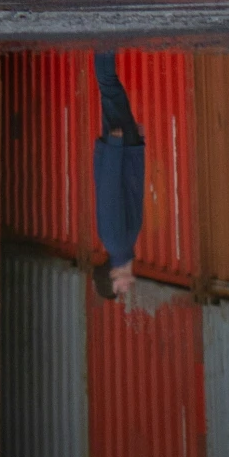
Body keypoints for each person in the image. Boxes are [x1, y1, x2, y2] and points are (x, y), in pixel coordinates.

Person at [91, 51, 144, 305]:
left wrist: (115, 145)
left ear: (112, 276)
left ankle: (103, 41)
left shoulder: (115, 241)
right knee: (112, 90)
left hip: (119, 150)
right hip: (127, 152)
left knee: (109, 87)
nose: (126, 287)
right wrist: (136, 145)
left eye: (119, 289)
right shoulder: (123, 244)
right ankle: (104, 43)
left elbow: (109, 192)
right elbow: (131, 191)